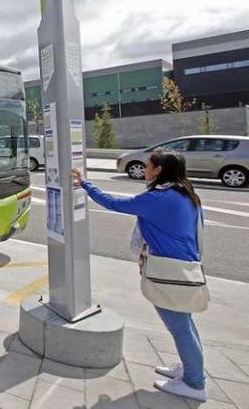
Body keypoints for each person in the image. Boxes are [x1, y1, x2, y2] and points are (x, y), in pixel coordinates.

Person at [72, 149, 207, 402]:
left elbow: (114, 203)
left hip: (169, 271)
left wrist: (85, 184)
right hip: (185, 267)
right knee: (185, 324)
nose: (145, 169)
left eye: (148, 166)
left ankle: (195, 383)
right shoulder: (186, 194)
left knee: (180, 328)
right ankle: (191, 370)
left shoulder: (160, 198)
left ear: (158, 170)